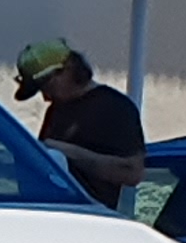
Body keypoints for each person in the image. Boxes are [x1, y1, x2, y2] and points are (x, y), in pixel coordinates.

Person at [14, 38, 146, 204]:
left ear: (68, 69)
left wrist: (67, 152)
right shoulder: (57, 110)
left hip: (91, 217)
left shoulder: (115, 107)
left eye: (47, 86)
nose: (46, 97)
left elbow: (132, 173)